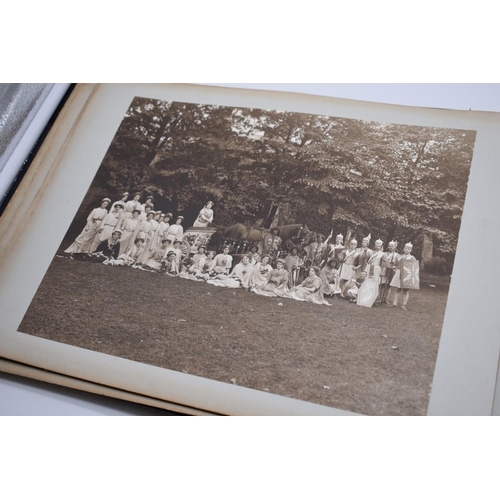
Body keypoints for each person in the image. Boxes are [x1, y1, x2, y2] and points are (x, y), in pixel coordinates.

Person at [390, 242, 419, 310]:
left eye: (408, 249)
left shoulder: (412, 258)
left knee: (406, 290)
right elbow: (396, 264)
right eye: (406, 248)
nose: (407, 250)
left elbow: (414, 268)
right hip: (399, 273)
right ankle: (394, 303)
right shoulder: (400, 256)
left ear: (411, 250)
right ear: (404, 248)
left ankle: (404, 304)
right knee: (397, 289)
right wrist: (394, 267)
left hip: (407, 274)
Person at [379, 240, 399, 304]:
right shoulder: (384, 253)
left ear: (395, 247)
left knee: (388, 285)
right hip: (384, 270)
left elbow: (398, 263)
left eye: (392, 246)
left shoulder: (397, 255)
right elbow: (381, 262)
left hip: (391, 271)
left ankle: (386, 298)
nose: (391, 247)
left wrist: (394, 266)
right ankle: (380, 297)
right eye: (390, 246)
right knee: (382, 284)